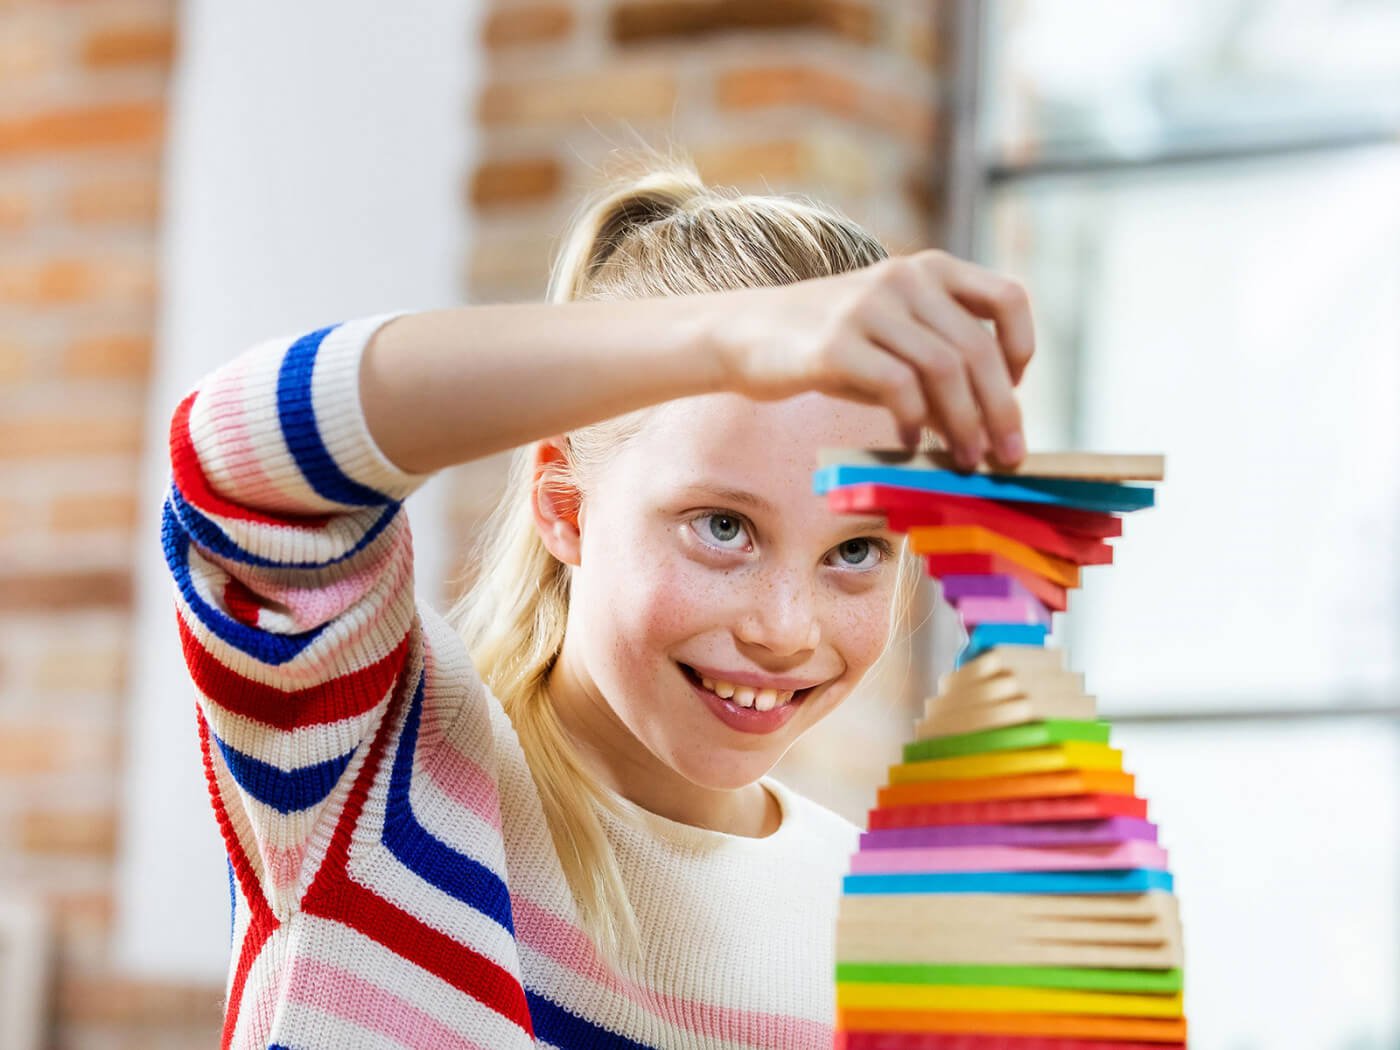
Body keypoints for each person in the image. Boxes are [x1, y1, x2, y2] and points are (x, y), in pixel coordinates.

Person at [164, 162, 1034, 1049]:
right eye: (722, 527)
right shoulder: (385, 776)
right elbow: (238, 457)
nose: (784, 629)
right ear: (564, 505)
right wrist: (722, 339)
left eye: (857, 551)